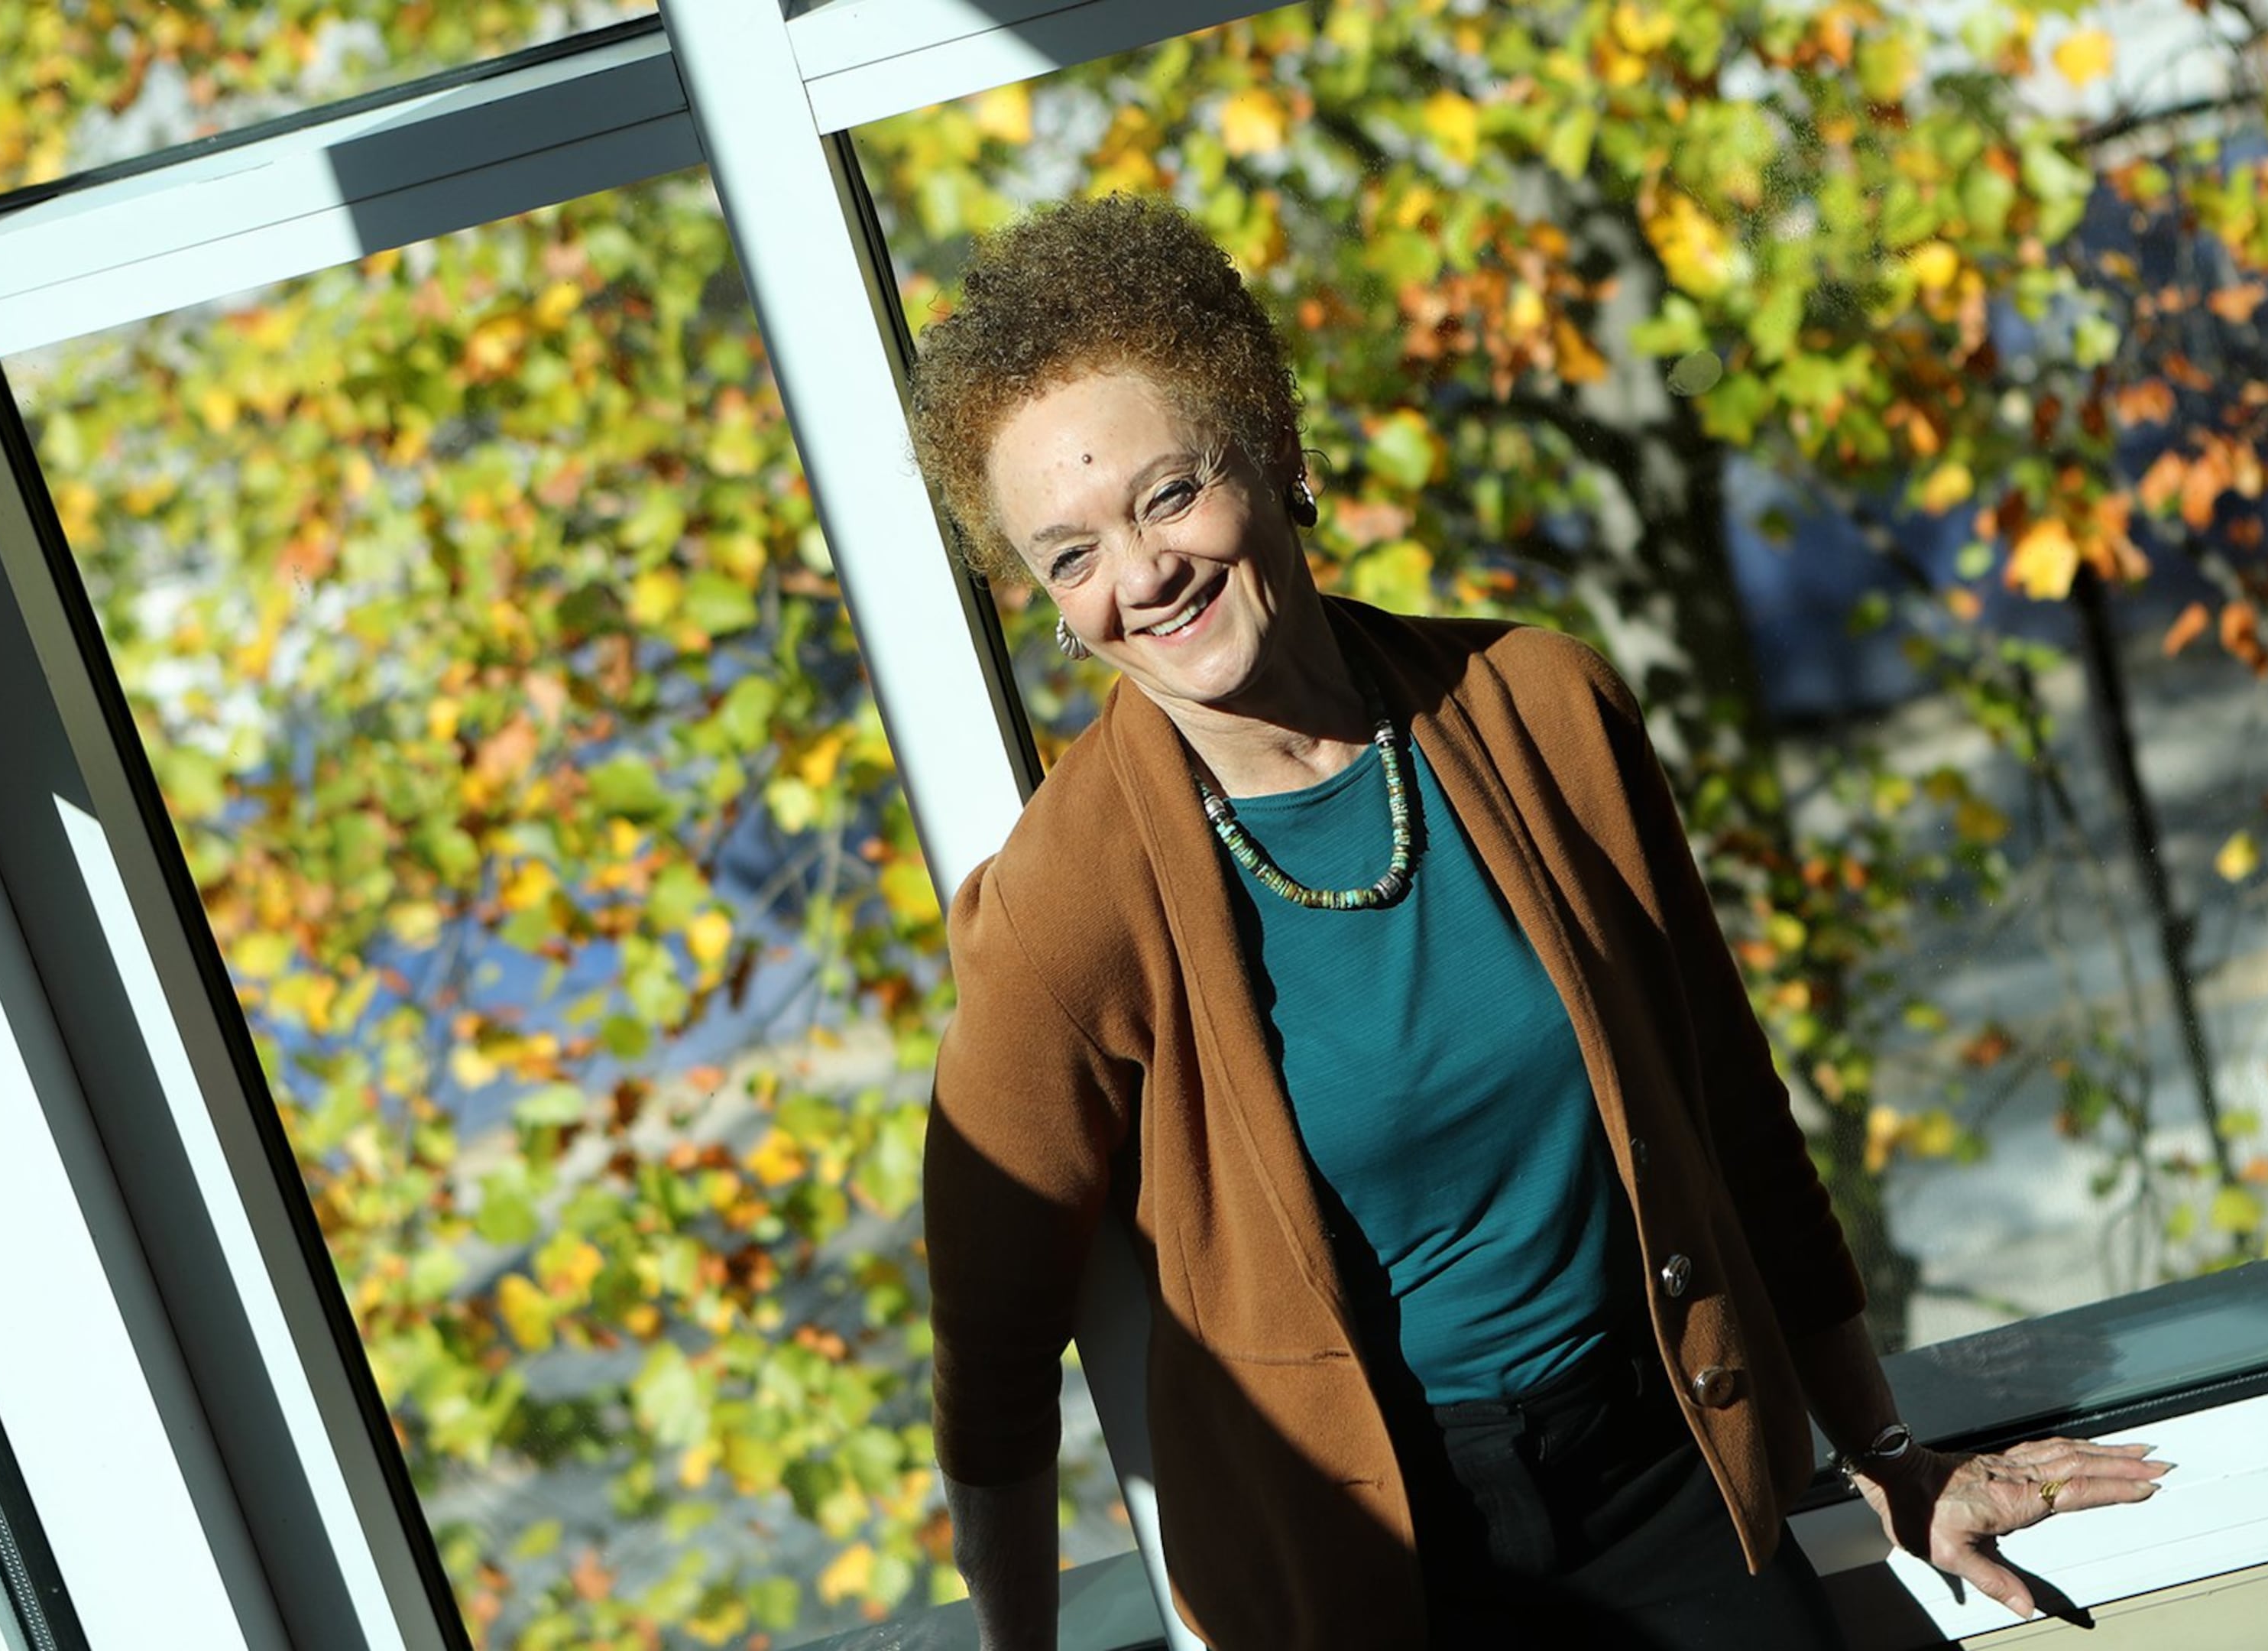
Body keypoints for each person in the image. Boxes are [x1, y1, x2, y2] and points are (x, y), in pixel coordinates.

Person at [908, 194, 2168, 1651]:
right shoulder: (1069, 903)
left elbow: (1735, 1121)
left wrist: (1885, 1455)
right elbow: (993, 1368)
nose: (1138, 577)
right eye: (1069, 557)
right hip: (1386, 1569)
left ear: (1275, 448)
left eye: (1169, 495)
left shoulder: (1545, 710)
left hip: (1674, 1469)